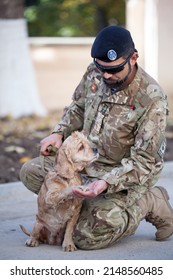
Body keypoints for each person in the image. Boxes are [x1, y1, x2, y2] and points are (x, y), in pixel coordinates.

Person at [20, 25, 173, 250]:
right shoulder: (95, 72)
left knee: (87, 237)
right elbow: (78, 107)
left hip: (121, 173)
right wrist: (58, 133)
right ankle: (84, 209)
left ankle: (150, 201)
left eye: (114, 69)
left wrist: (106, 182)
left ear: (133, 58)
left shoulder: (151, 100)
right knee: (31, 173)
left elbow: (145, 162)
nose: (106, 75)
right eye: (102, 69)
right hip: (85, 166)